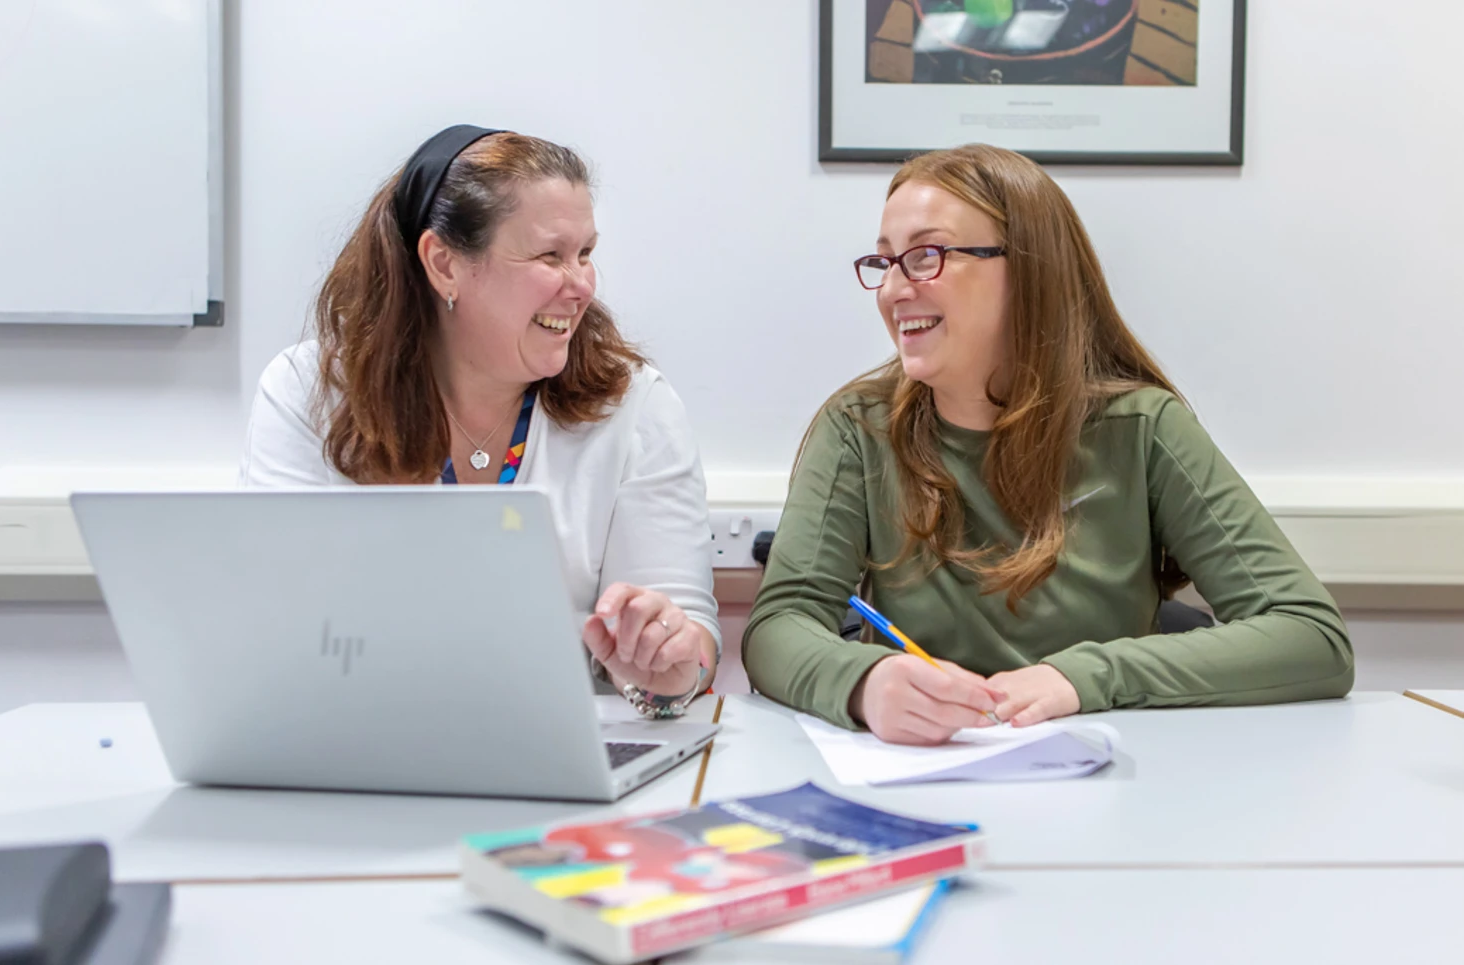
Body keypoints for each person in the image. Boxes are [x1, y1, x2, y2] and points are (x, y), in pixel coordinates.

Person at [743, 144, 1353, 745]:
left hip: (1114, 781)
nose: (893, 290)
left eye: (926, 255)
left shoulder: (1143, 427)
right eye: (885, 263)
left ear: (1029, 269)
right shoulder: (858, 427)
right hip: (918, 784)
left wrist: (1083, 677)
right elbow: (779, 627)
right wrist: (865, 682)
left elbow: (1309, 634)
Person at [239, 125, 719, 715]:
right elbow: (276, 623)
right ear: (444, 264)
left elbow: (686, 640)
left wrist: (666, 671)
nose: (582, 288)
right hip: (354, 739)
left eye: (585, 254)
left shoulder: (634, 405)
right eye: (550, 256)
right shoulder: (310, 393)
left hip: (566, 750)